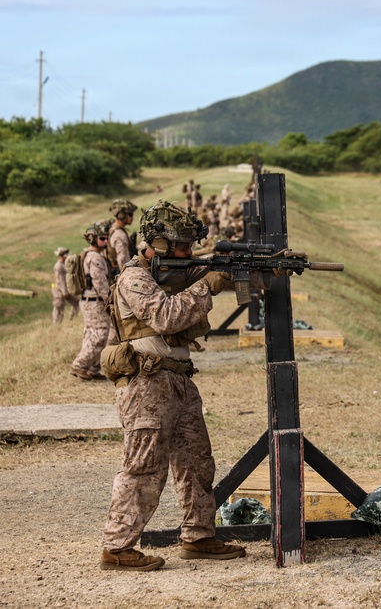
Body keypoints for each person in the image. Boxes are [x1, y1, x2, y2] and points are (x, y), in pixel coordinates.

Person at [99, 200, 282, 571]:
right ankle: (117, 548)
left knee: (196, 463)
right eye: (181, 246)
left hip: (179, 381)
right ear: (157, 244)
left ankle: (198, 536)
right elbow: (166, 316)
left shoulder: (177, 270)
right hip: (146, 385)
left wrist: (263, 270)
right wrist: (208, 286)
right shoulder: (134, 278)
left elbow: (220, 276)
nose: (187, 252)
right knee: (143, 468)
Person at [70, 222, 112, 381]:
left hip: (88, 300)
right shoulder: (95, 258)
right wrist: (109, 300)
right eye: (102, 238)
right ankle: (79, 364)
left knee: (91, 333)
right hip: (95, 301)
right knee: (100, 334)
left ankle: (92, 368)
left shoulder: (87, 255)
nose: (106, 241)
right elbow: (99, 282)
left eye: (107, 238)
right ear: (92, 239)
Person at [107, 199, 138, 273]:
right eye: (130, 215)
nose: (132, 218)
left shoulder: (114, 228)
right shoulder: (119, 235)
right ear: (122, 215)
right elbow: (123, 262)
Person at [51, 247, 79, 324]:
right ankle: (56, 322)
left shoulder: (65, 264)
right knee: (59, 305)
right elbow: (60, 280)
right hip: (59, 289)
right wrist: (65, 292)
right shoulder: (58, 266)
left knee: (76, 302)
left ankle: (73, 318)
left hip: (67, 288)